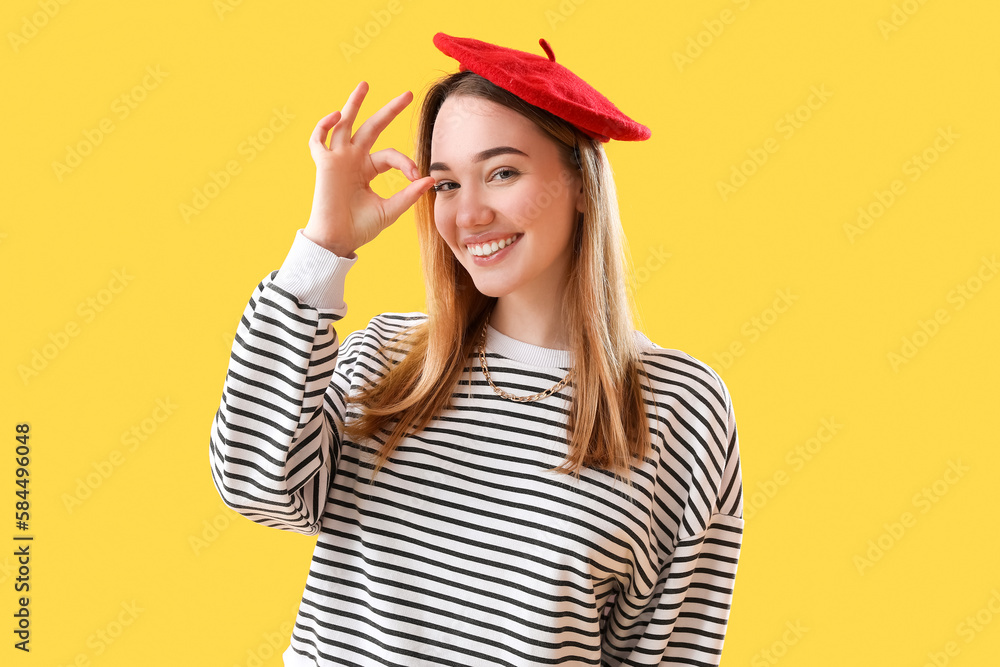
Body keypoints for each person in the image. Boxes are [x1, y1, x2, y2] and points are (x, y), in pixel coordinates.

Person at [209, 33, 744, 667]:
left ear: (581, 184)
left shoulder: (681, 410)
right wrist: (323, 249)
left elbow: (669, 649)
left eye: (502, 173)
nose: (468, 215)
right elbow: (253, 484)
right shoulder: (389, 360)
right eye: (445, 185)